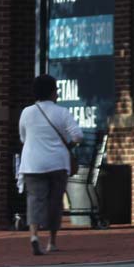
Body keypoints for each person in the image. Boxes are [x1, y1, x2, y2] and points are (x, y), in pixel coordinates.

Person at [18, 74, 83, 255]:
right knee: (55, 202)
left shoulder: (26, 112)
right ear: (54, 92)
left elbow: (23, 137)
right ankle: (52, 242)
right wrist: (68, 144)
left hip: (32, 163)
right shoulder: (62, 112)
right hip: (57, 163)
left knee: (34, 200)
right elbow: (78, 135)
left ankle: (34, 236)